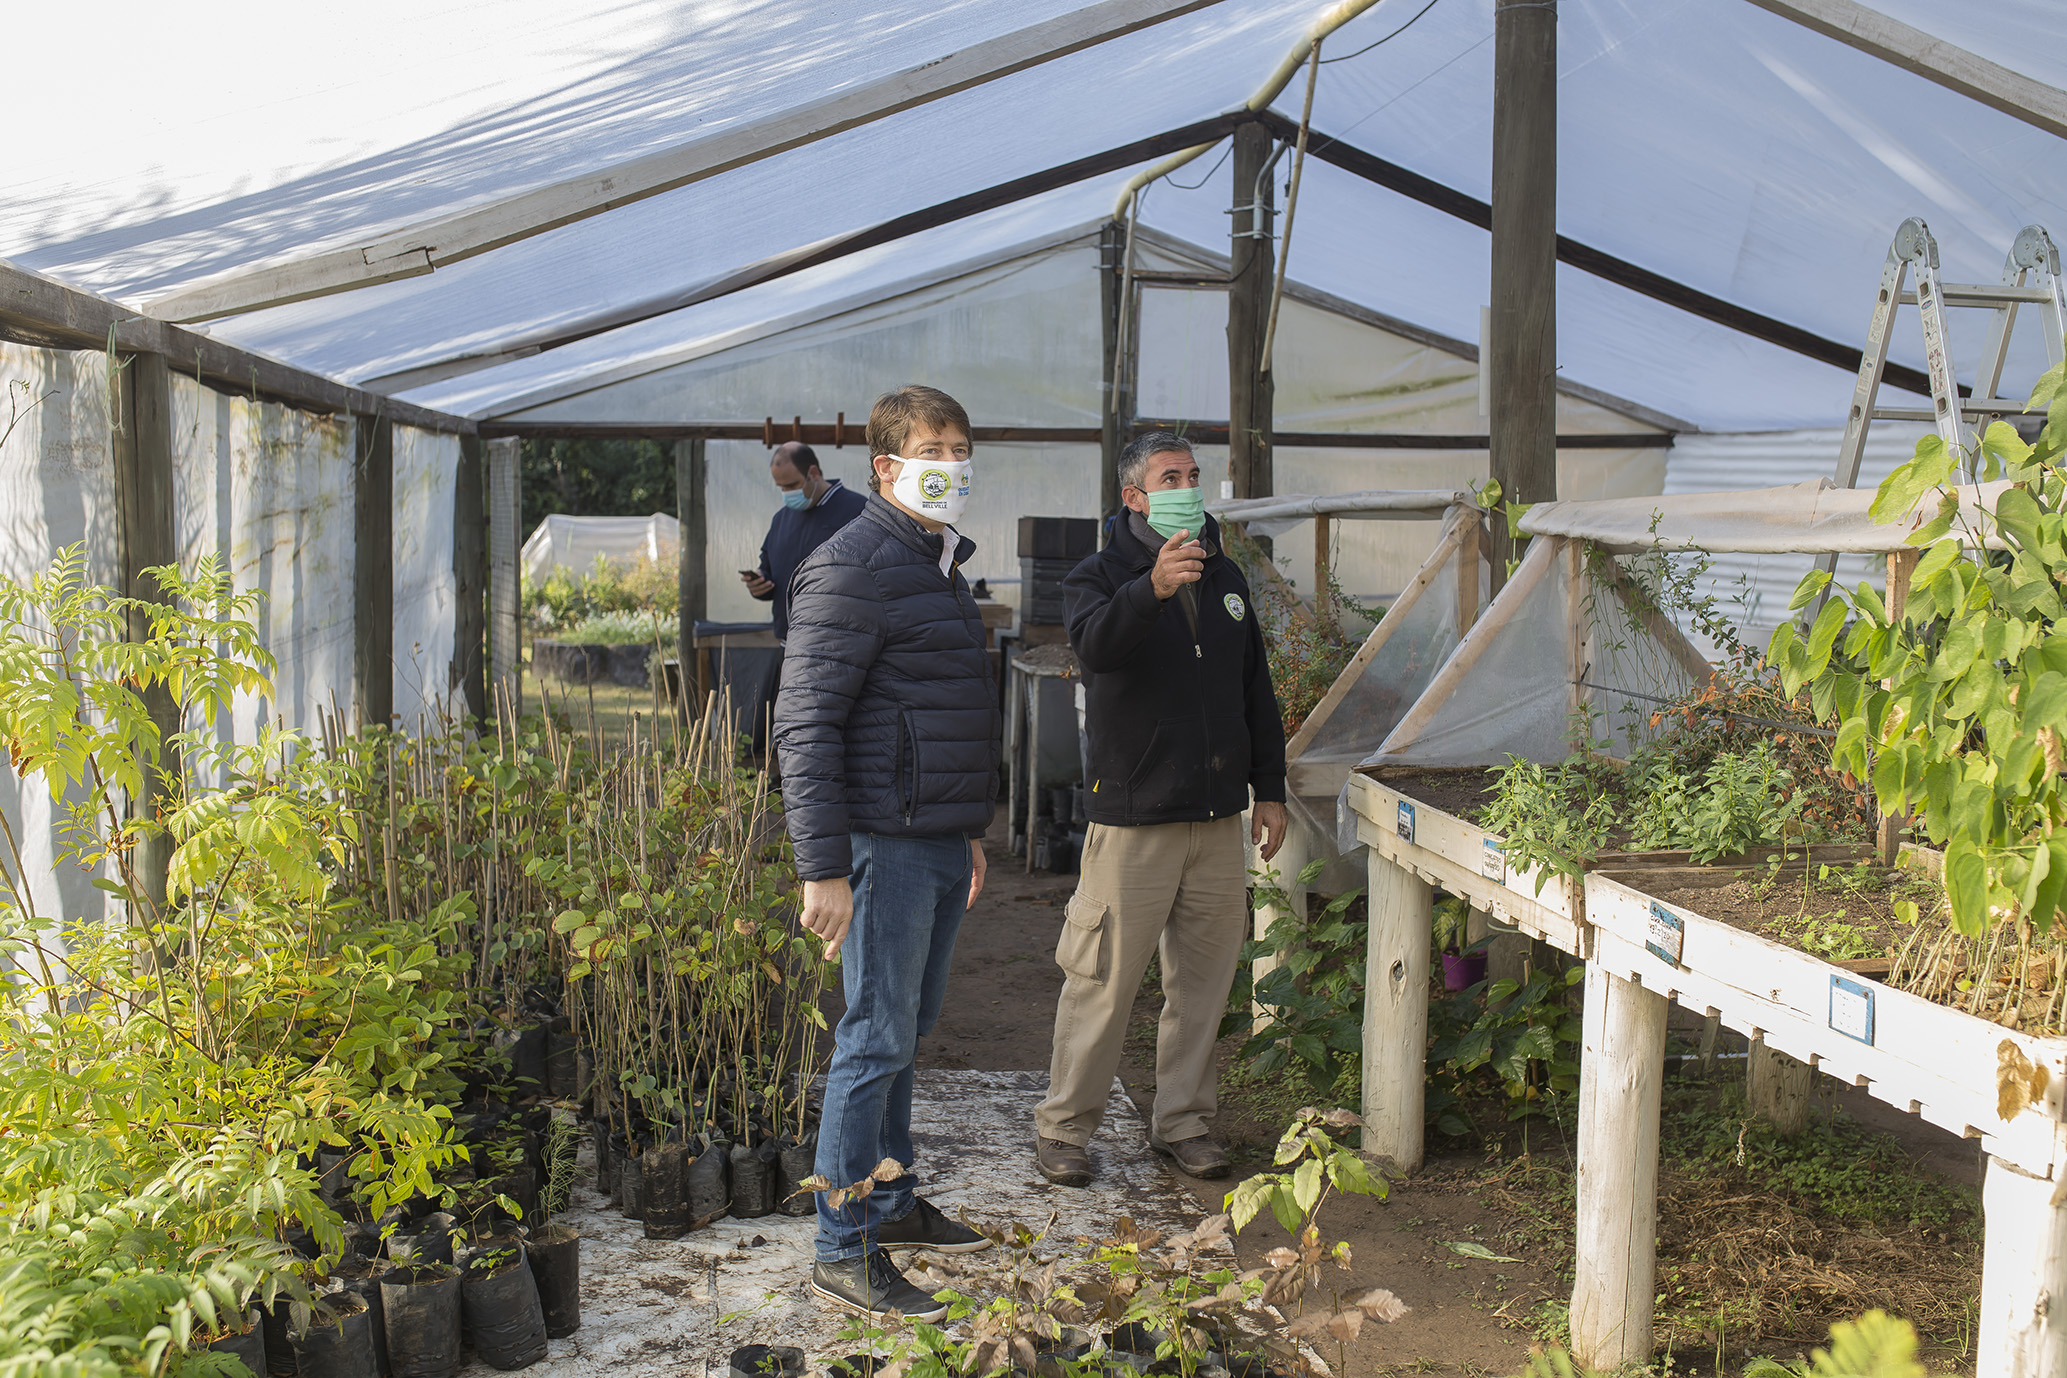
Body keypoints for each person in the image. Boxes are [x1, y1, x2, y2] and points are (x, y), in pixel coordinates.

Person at [774, 385, 1000, 1322]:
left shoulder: (935, 562)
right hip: (880, 841)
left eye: (959, 447)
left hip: (933, 835)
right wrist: (821, 867)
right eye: (930, 450)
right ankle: (841, 1244)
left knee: (906, 1027)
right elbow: (804, 724)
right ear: (884, 467)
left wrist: (967, 828)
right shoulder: (852, 565)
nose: (950, 463)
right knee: (872, 1036)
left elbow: (937, 711)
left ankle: (892, 1198)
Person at [1033, 431, 1288, 1187]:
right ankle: (1064, 1128)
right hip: (1134, 816)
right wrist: (1152, 589)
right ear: (1134, 497)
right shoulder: (1098, 575)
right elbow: (1095, 649)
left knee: (1202, 984)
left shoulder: (1225, 575)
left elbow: (1254, 688)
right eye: (1169, 477)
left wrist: (1269, 787)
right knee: (1103, 979)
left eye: (1193, 475)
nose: (1187, 487)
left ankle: (1184, 1123)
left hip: (1215, 815)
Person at [741, 441, 866, 642]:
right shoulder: (781, 519)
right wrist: (760, 584)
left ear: (813, 473)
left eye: (792, 485)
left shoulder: (857, 511)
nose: (787, 493)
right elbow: (769, 568)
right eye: (781, 487)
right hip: (789, 641)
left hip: (839, 642)